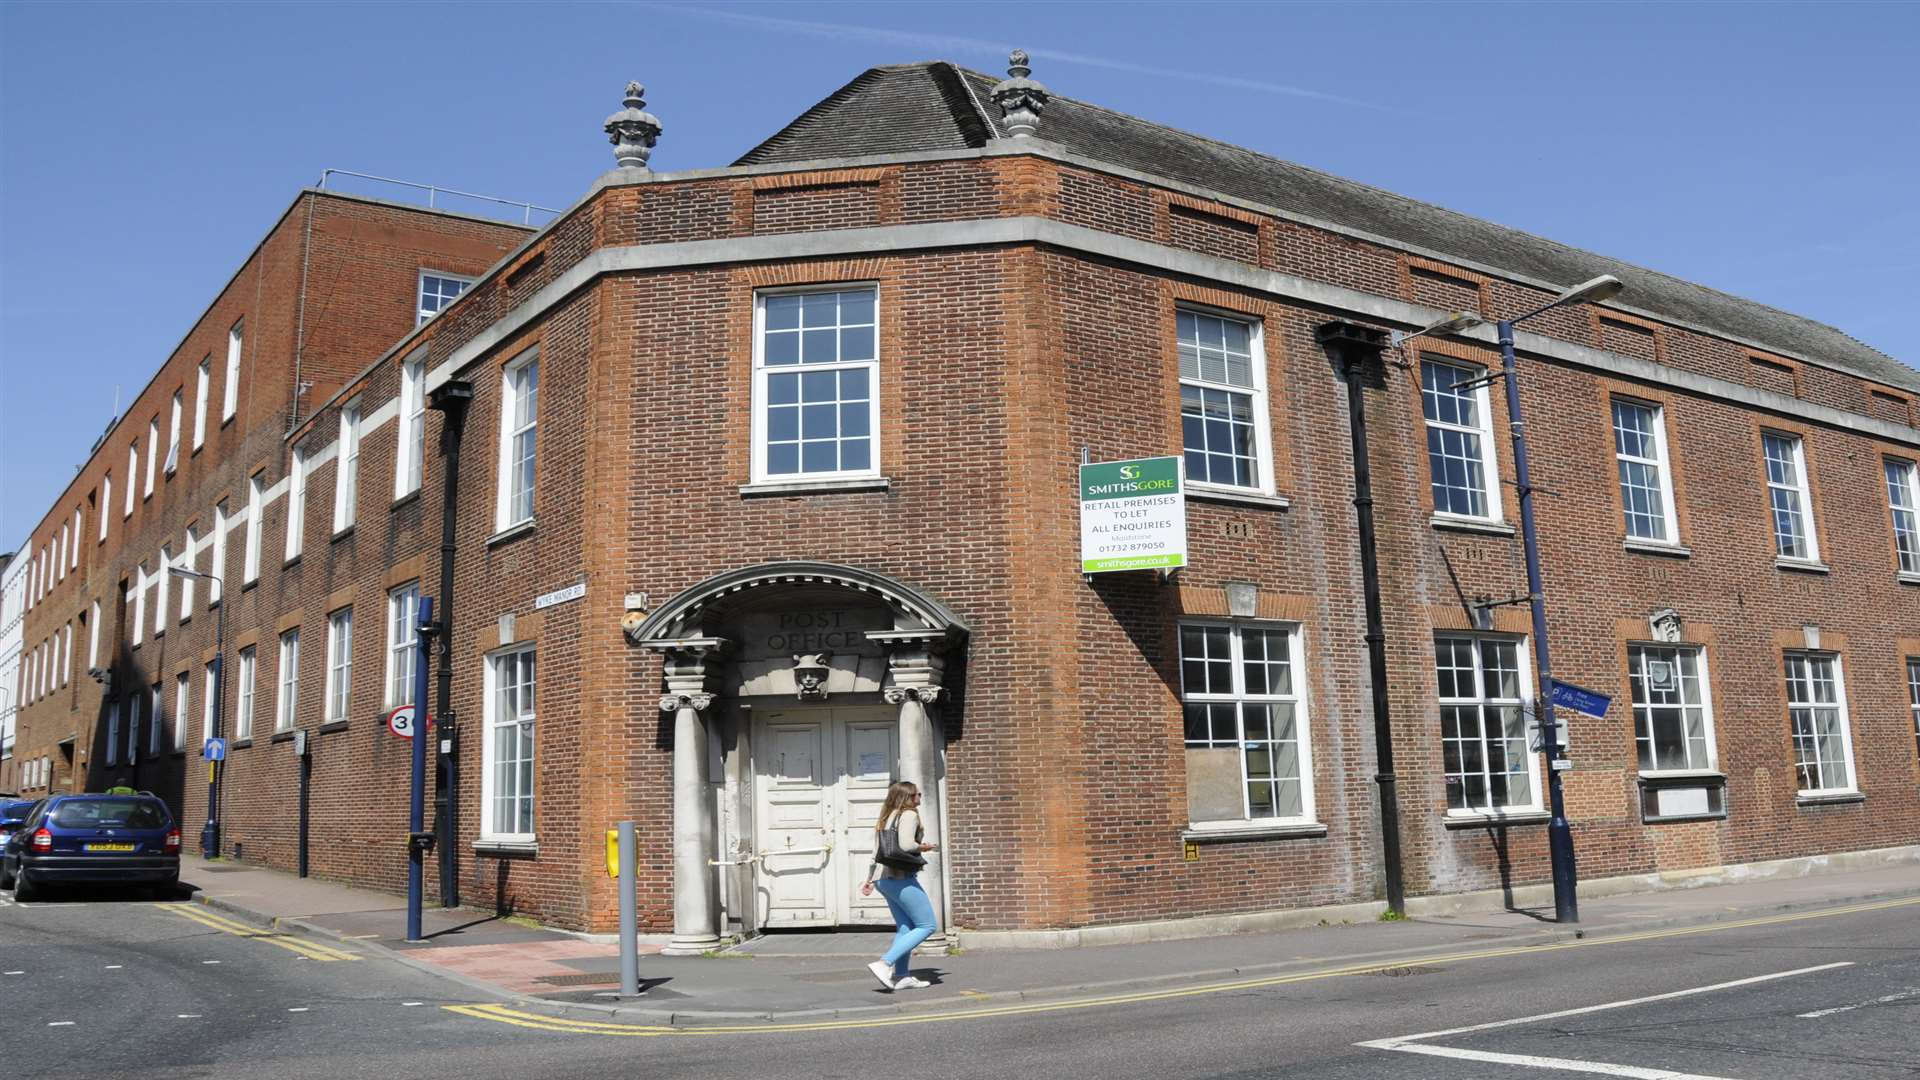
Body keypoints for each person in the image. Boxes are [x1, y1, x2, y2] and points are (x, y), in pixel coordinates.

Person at [861, 780, 939, 990]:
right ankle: (884, 963)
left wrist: (868, 879)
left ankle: (902, 976)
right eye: (917, 794)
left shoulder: (888, 816)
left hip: (883, 879)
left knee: (906, 928)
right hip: (899, 878)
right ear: (908, 797)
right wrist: (925, 847)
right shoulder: (909, 815)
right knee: (928, 925)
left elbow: (876, 851)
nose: (920, 797)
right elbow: (906, 845)